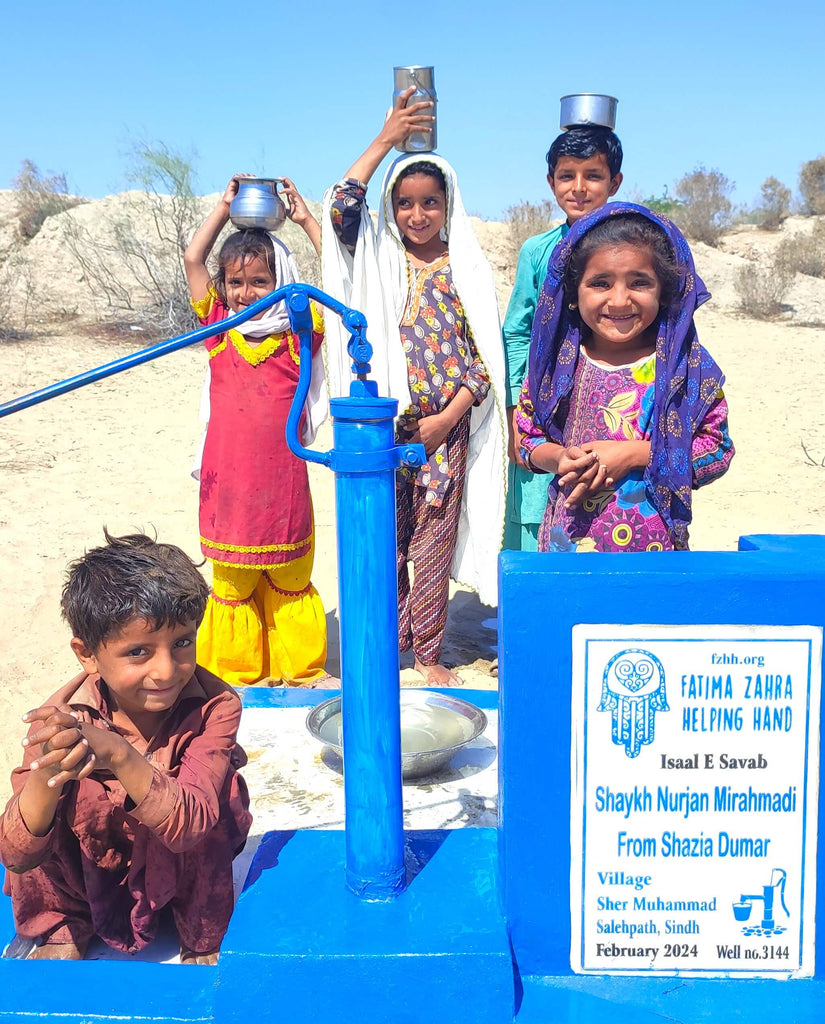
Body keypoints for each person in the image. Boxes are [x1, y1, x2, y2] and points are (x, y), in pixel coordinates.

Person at [321, 89, 506, 685]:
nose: (417, 215)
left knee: (430, 541)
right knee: (383, 536)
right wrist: (386, 139)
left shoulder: (466, 269)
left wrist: (447, 421)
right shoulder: (380, 257)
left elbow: (483, 363)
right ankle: (385, 642)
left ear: (448, 205)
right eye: (405, 204)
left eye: (430, 203)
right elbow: (343, 207)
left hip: (440, 433)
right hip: (384, 425)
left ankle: (427, 653)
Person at [0, 532, 252, 963]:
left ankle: (199, 931)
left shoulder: (216, 708)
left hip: (181, 858)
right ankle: (63, 922)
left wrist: (118, 754)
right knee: (58, 794)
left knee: (216, 796)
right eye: (138, 651)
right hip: (96, 866)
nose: (167, 670)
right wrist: (48, 773)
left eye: (182, 642)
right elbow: (17, 855)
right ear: (87, 654)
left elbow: (191, 825)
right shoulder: (63, 718)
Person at [516, 202, 733, 552]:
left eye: (639, 283)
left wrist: (634, 454)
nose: (619, 300)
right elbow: (527, 438)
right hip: (566, 551)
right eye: (600, 283)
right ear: (573, 294)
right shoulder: (556, 367)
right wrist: (558, 458)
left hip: (655, 559)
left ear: (663, 291)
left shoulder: (685, 367)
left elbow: (717, 451)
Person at [184, 175, 329, 686]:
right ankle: (237, 675)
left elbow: (339, 277)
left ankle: (300, 670)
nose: (247, 293)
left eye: (260, 281)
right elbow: (193, 261)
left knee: (289, 577)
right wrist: (224, 209)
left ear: (282, 280)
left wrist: (307, 221)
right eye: (237, 283)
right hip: (229, 485)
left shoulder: (300, 328)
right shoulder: (217, 327)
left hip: (282, 481)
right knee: (233, 585)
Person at [503, 126, 623, 550]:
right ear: (551, 181)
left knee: (611, 498)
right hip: (547, 397)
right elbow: (518, 332)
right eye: (566, 175)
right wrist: (517, 409)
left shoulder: (630, 246)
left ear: (615, 182)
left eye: (592, 175)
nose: (578, 187)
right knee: (537, 499)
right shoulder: (537, 251)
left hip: (614, 395)